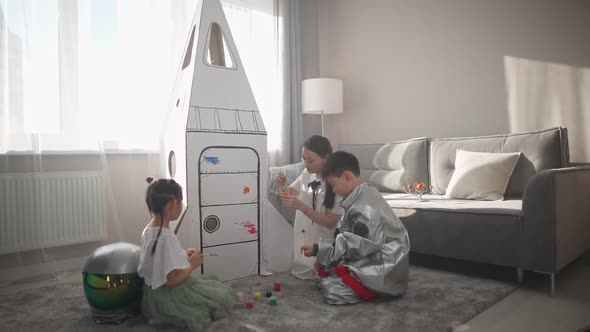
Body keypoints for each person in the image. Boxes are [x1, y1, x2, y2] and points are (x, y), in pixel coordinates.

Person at [301, 151, 410, 305]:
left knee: (332, 289)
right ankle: (351, 278)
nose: (334, 190)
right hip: (370, 253)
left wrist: (320, 249)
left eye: (333, 185)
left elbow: (358, 243)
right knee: (325, 270)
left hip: (385, 264)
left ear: (347, 176)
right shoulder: (358, 197)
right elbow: (345, 233)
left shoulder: (367, 206)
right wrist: (326, 255)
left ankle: (369, 289)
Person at [137, 177, 233, 331]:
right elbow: (171, 280)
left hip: (152, 295)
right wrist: (192, 264)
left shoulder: (149, 230)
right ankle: (166, 315)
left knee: (208, 285)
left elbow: (160, 259)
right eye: (181, 201)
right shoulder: (166, 237)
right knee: (212, 297)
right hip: (169, 294)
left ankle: (159, 315)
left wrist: (182, 254)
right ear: (172, 204)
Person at [277, 135, 344, 280]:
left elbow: (331, 222)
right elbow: (290, 193)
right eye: (303, 158)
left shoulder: (335, 181)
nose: (306, 164)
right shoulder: (307, 174)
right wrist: (282, 184)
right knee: (301, 266)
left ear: (326, 158)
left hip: (323, 238)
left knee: (323, 274)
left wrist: (301, 206)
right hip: (304, 229)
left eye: (311, 160)